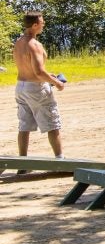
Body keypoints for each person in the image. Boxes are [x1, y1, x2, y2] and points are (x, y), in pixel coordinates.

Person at [13, 11, 65, 160]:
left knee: (24, 125)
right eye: (42, 23)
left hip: (21, 86)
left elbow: (29, 68)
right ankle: (60, 159)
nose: (43, 25)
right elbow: (39, 71)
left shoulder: (19, 42)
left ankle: (22, 161)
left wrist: (49, 76)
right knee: (52, 123)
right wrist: (56, 82)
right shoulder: (34, 44)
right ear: (34, 25)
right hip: (36, 88)